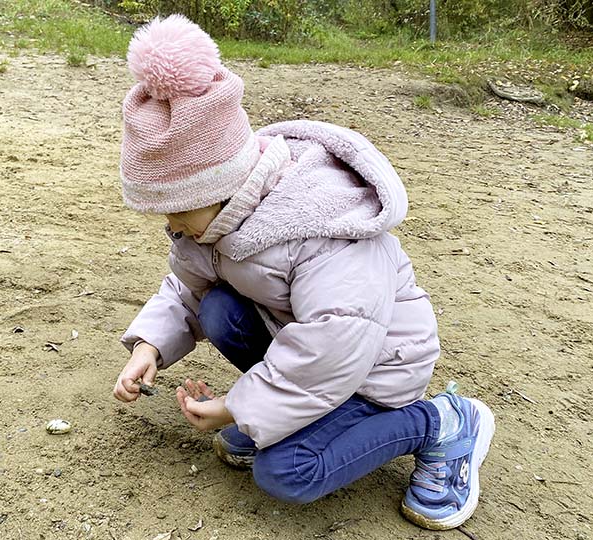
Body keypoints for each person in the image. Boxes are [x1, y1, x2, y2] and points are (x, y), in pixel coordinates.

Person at [112, 14, 495, 530]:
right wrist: (149, 347)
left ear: (224, 185)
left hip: (376, 372)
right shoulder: (209, 224)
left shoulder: (322, 225)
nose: (170, 223)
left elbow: (332, 346)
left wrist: (236, 406)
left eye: (179, 207)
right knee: (220, 307)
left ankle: (444, 423)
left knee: (288, 471)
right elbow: (187, 288)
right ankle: (290, 413)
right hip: (319, 355)